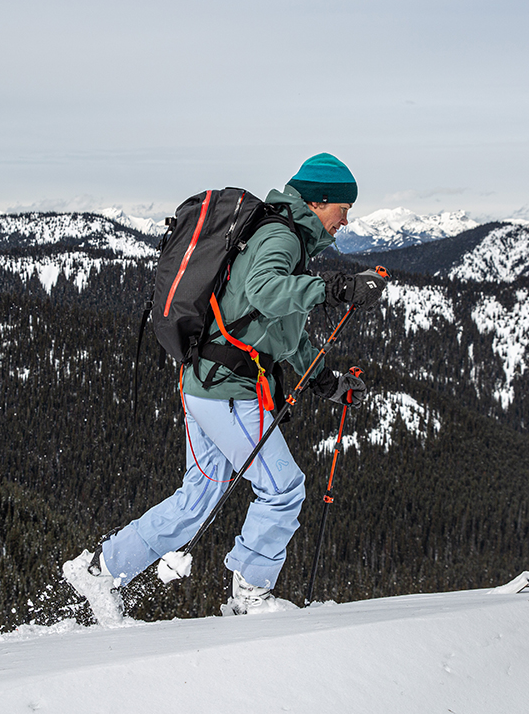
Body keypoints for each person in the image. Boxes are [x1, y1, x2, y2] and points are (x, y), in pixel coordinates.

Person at [64, 153, 388, 618]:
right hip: (230, 390)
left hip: (206, 383)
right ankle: (250, 595)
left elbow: (280, 331)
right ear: (320, 201)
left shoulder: (288, 235)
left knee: (197, 497)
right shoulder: (280, 237)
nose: (346, 219)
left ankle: (101, 569)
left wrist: (324, 381)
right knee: (282, 489)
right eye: (344, 208)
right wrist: (333, 289)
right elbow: (265, 291)